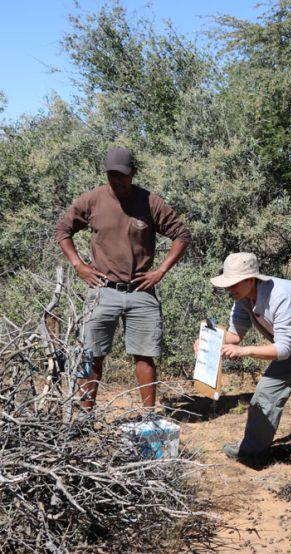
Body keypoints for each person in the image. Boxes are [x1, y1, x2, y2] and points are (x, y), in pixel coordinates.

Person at [55, 147, 191, 409]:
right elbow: (63, 230)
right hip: (102, 289)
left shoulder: (150, 202)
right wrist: (78, 264)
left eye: (123, 175)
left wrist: (160, 271)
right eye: (112, 175)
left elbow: (181, 235)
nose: (117, 180)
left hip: (141, 291)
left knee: (145, 355)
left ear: (133, 173)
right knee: (91, 354)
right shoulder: (93, 199)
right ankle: (85, 416)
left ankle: (148, 417)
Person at [202, 252, 291, 484]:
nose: (229, 289)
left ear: (251, 280)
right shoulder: (242, 299)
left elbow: (283, 350)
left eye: (233, 283)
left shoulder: (281, 295)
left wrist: (245, 352)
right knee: (266, 391)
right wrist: (208, 341)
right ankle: (252, 449)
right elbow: (235, 336)